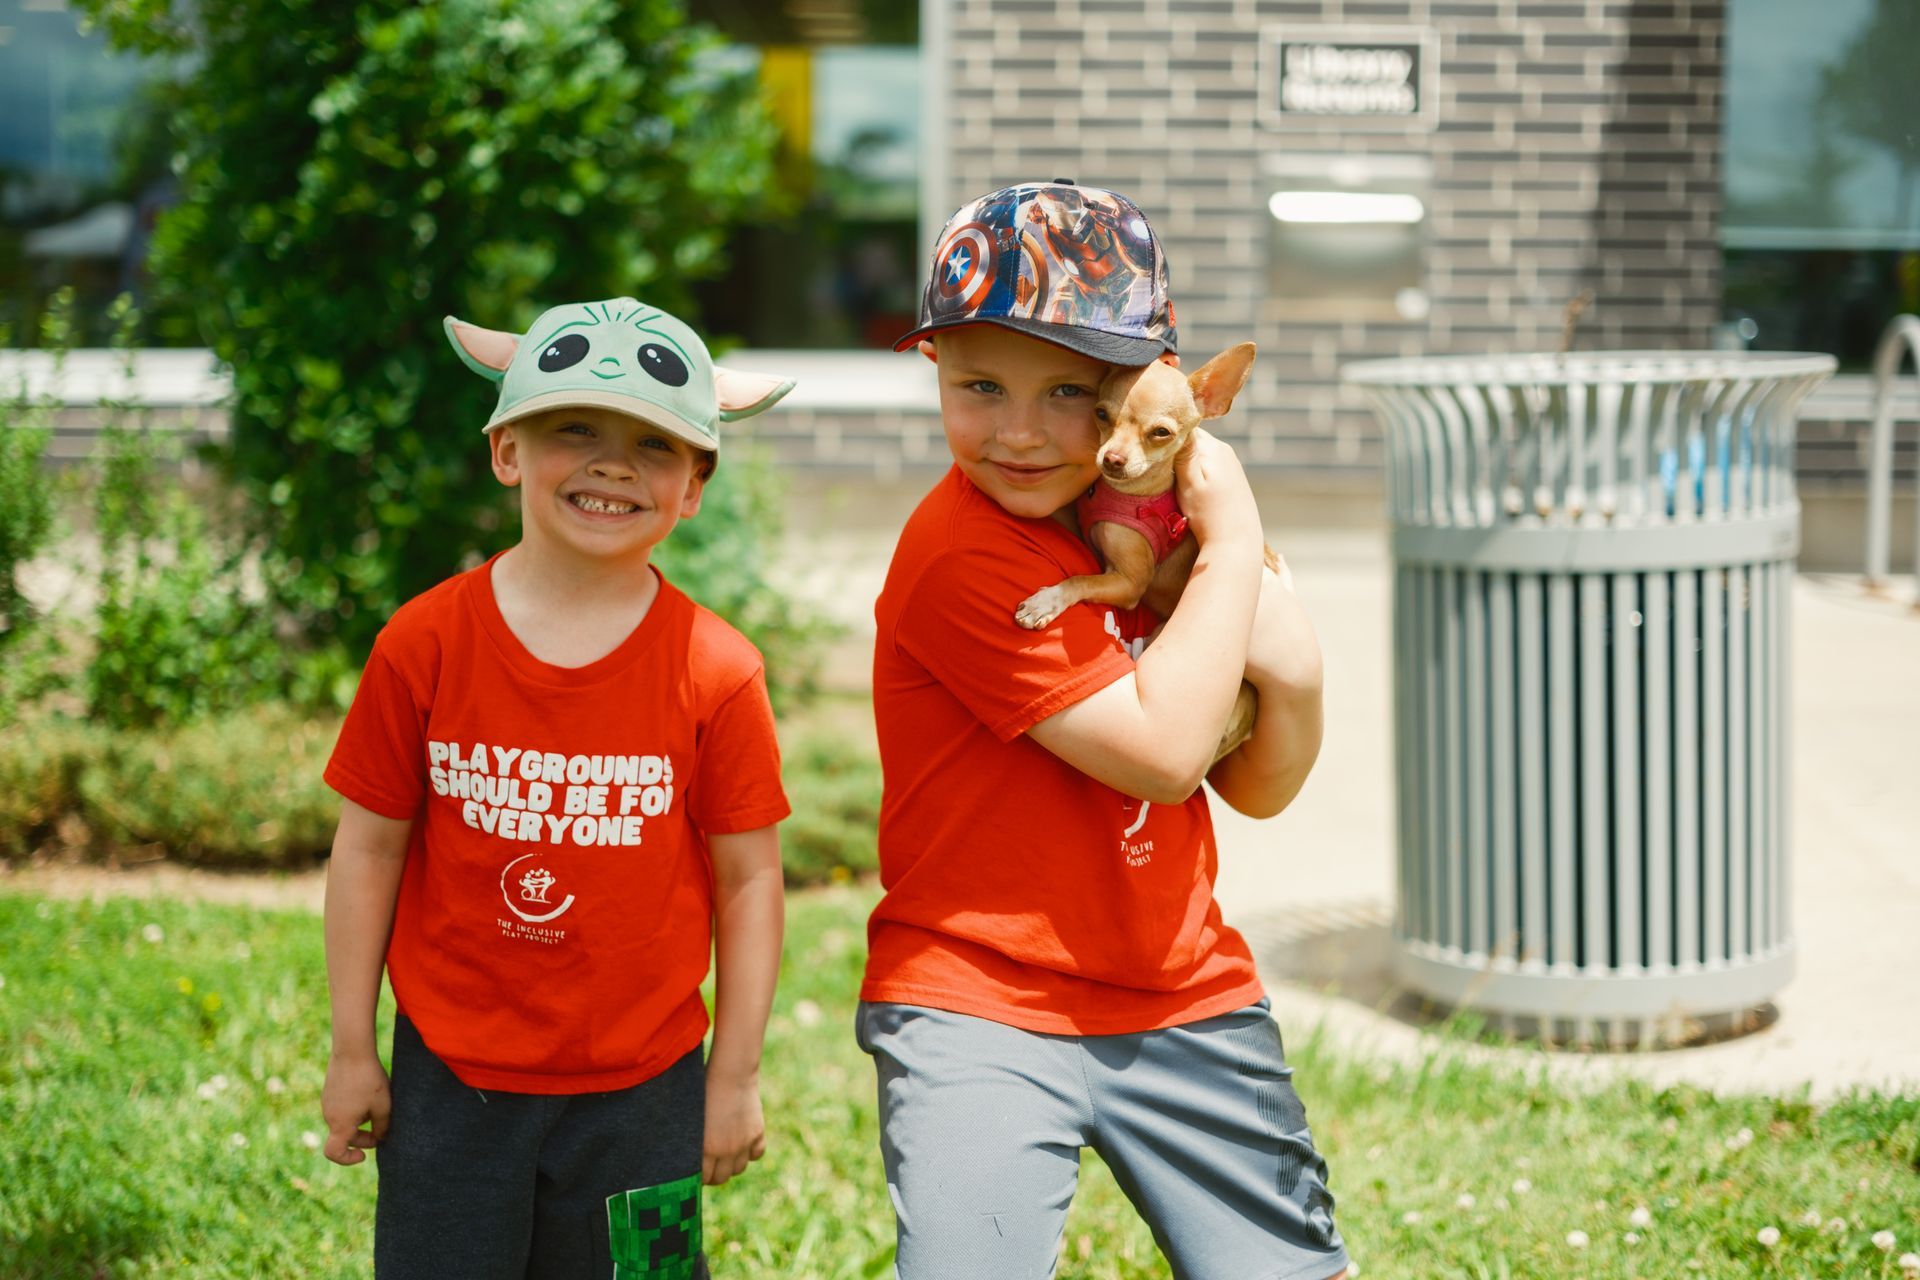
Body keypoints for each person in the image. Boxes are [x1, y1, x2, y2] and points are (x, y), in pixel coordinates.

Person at [859, 183, 1350, 1280]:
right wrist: (1235, 548)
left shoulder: (1149, 536)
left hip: (1181, 984)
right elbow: (1170, 754)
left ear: (1145, 392)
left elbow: (1260, 787)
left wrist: (1301, 671)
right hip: (980, 997)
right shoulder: (964, 554)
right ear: (933, 369)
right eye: (981, 385)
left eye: (1072, 394)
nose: (1024, 431)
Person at [319, 297, 795, 1279]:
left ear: (694, 486)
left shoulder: (719, 668)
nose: (612, 463)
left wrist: (734, 1074)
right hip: (451, 1081)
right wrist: (350, 1049)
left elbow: (750, 879)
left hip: (649, 1093)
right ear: (506, 449)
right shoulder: (424, 643)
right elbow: (368, 847)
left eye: (653, 445)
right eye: (574, 428)